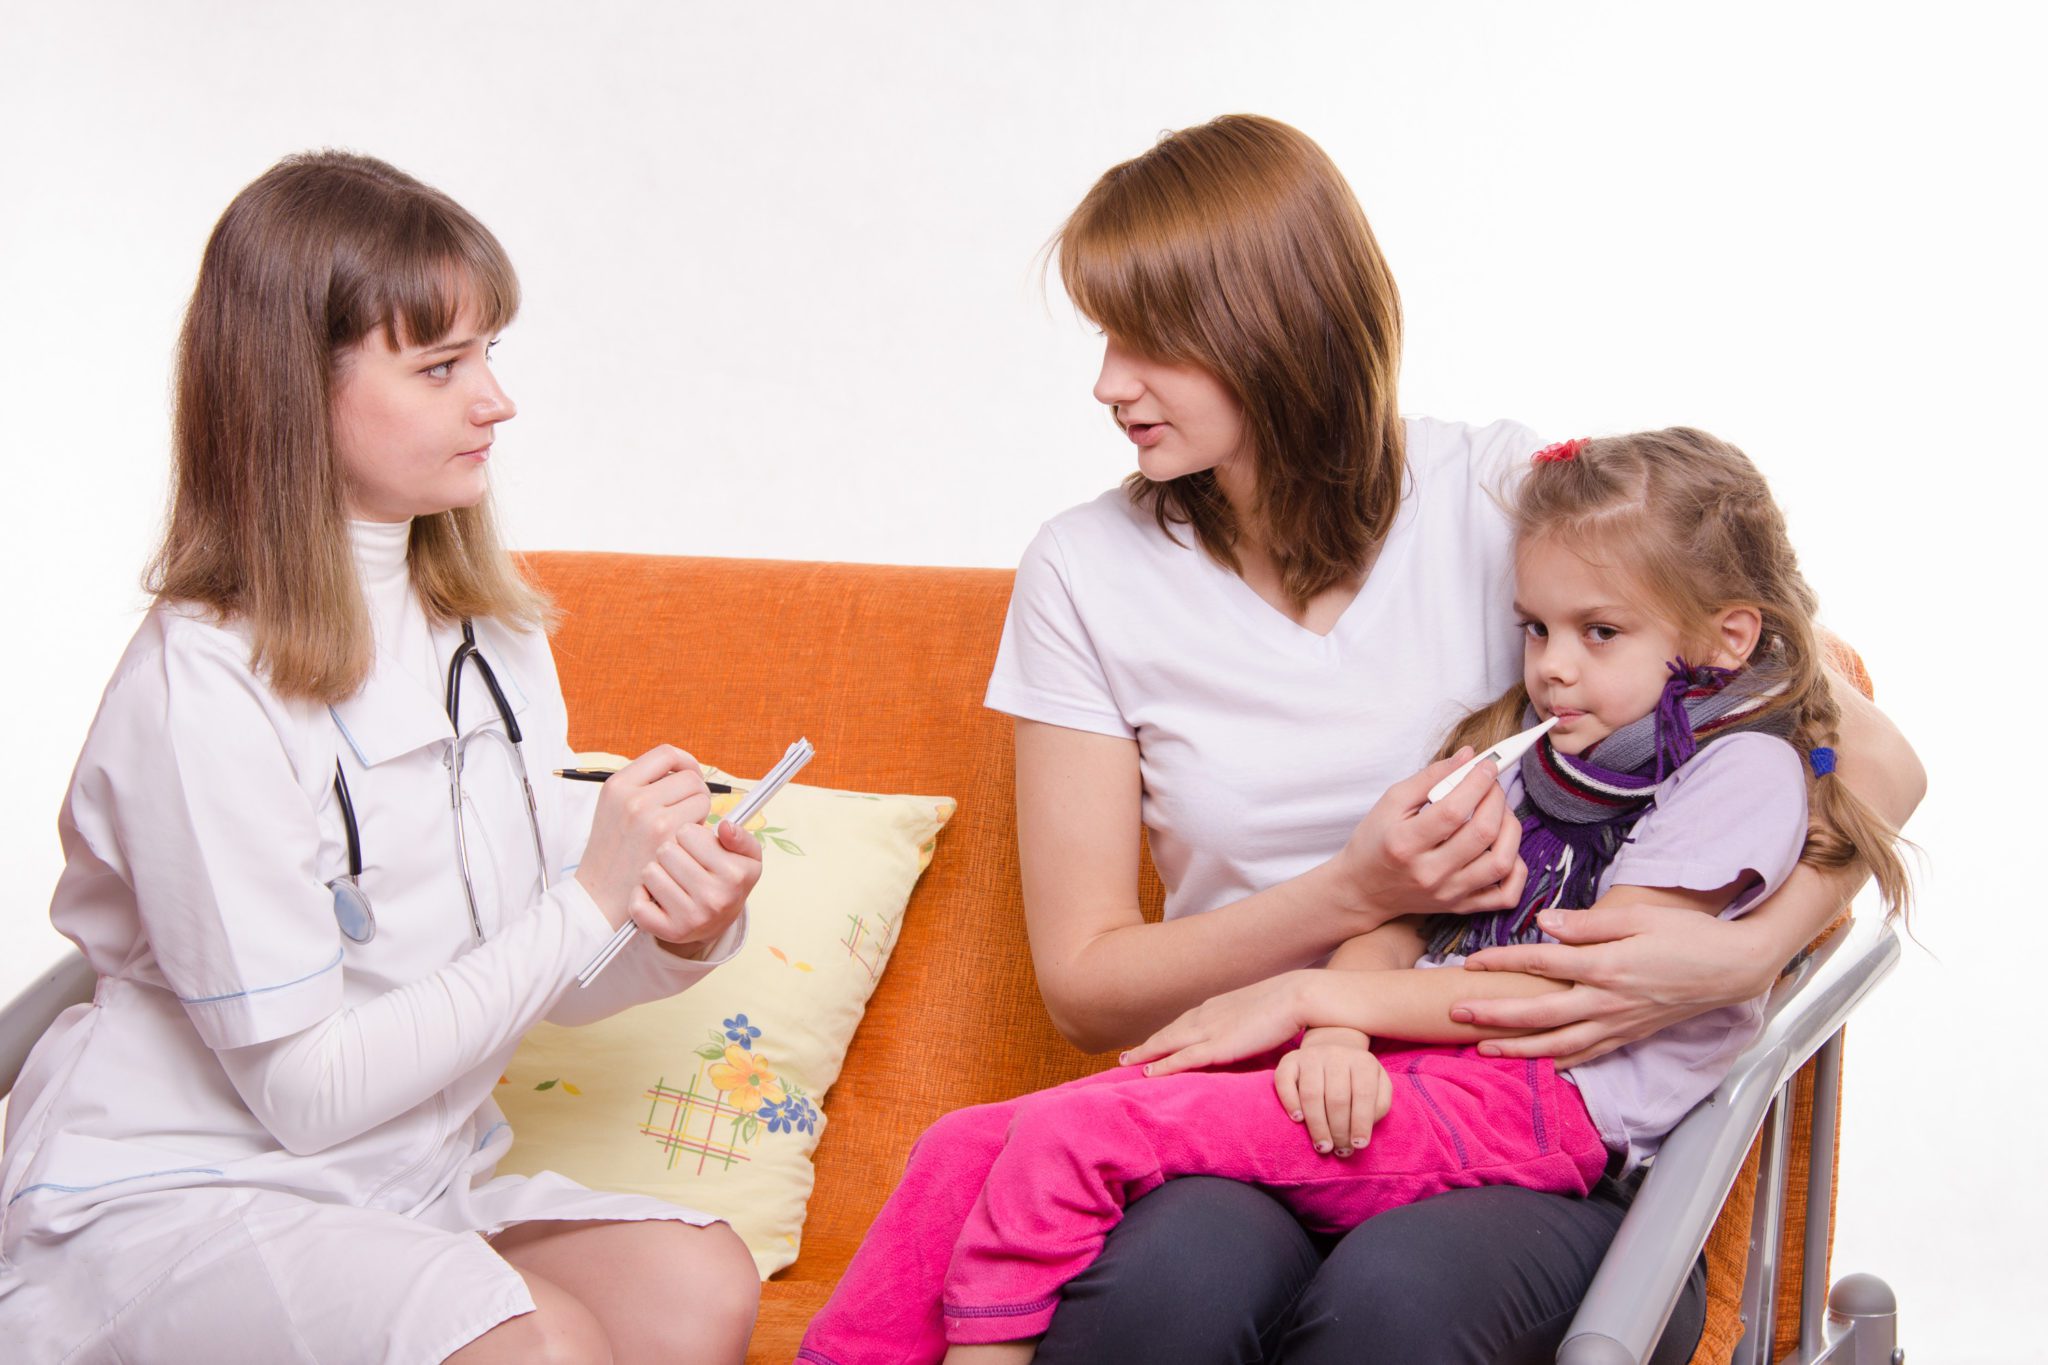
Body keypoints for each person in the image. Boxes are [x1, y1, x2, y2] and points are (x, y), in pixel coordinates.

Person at [824, 114, 1919, 1365]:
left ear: (1275, 326)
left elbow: (1850, 753)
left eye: (1148, 340)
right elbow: (1083, 986)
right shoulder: (1086, 572)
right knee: (1157, 1305)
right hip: (1258, 1099)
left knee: (1400, 1307)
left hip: (1517, 1117)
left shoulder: (1503, 494)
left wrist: (1749, 948)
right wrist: (1349, 900)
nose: (1107, 383)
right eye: (1101, 338)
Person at [0, 153, 764, 1364]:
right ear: (295, 390)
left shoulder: (489, 633)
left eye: (491, 355)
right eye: (441, 366)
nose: (496, 402)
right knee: (536, 1343)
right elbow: (305, 1093)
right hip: (188, 1189)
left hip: (405, 1178)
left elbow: (509, 969)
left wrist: (672, 931)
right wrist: (587, 899)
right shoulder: (201, 682)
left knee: (695, 1285)